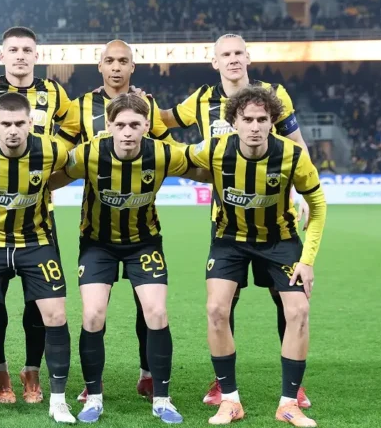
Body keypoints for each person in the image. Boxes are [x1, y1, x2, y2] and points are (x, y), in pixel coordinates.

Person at [158, 34, 313, 407]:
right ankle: (222, 382)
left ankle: (294, 386)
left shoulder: (274, 94)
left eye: (238, 53)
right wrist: (135, 103)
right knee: (224, 303)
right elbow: (163, 120)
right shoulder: (200, 100)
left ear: (248, 57)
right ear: (215, 62)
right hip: (227, 220)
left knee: (286, 301)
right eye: (225, 54)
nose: (232, 59)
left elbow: (297, 144)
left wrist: (304, 193)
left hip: (276, 219)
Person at [52, 93, 210, 424]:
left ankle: (162, 399)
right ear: (108, 125)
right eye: (121, 125)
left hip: (144, 244)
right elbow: (54, 176)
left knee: (157, 312)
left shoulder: (163, 153)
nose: (127, 132)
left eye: (135, 125)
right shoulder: (89, 153)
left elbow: (204, 168)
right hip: (97, 245)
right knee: (92, 315)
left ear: (146, 126)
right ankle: (93, 396)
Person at [186, 87, 326, 427]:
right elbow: (174, 158)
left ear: (272, 122)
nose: (254, 126)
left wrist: (307, 260)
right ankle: (229, 401)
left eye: (262, 119)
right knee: (216, 309)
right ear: (233, 121)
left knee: (299, 311)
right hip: (229, 239)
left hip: (280, 240)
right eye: (247, 119)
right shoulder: (215, 149)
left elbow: (318, 205)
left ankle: (289, 404)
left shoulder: (293, 155)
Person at [56, 40, 179, 402]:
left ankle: (148, 374)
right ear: (100, 66)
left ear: (132, 67)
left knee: (149, 307)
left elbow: (171, 151)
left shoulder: (148, 104)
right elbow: (61, 151)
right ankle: (93, 383)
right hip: (96, 230)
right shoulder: (80, 106)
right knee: (95, 310)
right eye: (109, 60)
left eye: (123, 61)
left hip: (143, 228)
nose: (116, 67)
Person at [0, 26, 72, 404]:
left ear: (36, 55)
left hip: (39, 219)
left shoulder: (54, 92)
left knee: (39, 305)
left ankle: (32, 371)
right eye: (13, 49)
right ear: (1, 55)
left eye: (26, 49)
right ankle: (0, 371)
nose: (20, 55)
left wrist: (41, 177)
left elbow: (77, 129)